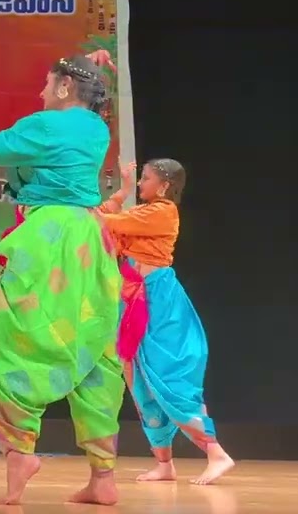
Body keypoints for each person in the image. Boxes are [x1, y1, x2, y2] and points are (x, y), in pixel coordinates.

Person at [0, 49, 124, 506]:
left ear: (63, 88)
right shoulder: (97, 128)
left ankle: (20, 453)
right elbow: (89, 109)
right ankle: (103, 477)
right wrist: (96, 67)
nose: (40, 92)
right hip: (91, 241)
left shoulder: (43, 127)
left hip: (49, 240)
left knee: (6, 339)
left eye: (47, 83)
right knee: (93, 345)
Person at [99, 159, 235, 485]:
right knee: (138, 381)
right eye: (141, 178)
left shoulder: (162, 212)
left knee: (164, 375)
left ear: (162, 186)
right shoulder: (143, 214)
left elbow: (105, 222)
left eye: (145, 179)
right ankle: (164, 463)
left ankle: (216, 452)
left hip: (157, 301)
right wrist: (125, 191)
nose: (142, 184)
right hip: (132, 300)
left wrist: (121, 193)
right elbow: (108, 228)